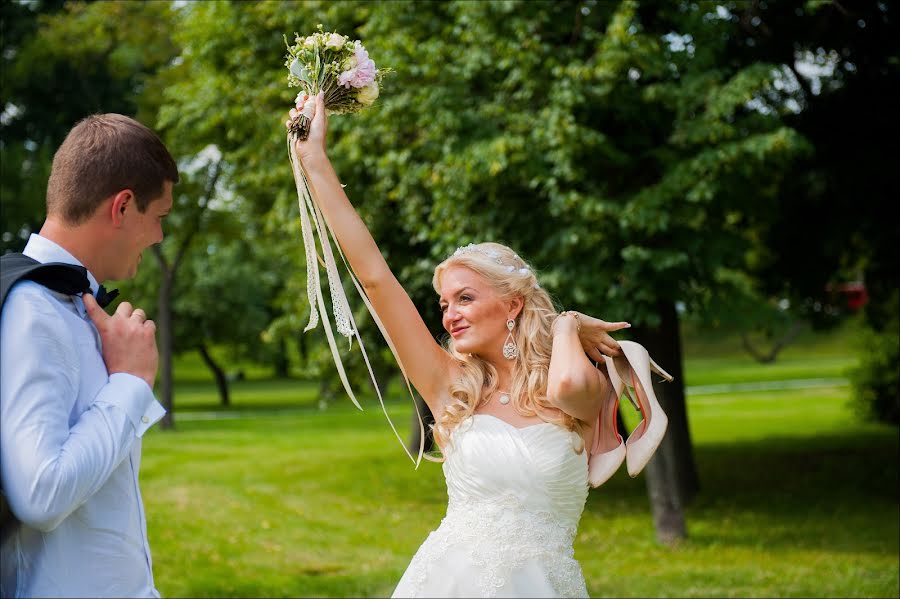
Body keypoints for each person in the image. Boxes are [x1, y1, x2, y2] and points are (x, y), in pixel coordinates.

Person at [291, 93, 672, 597]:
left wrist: (565, 326)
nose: (449, 313)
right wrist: (314, 161)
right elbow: (376, 279)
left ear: (513, 304)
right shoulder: (448, 385)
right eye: (445, 302)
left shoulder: (577, 389)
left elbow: (568, 383)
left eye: (465, 297)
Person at [0, 113, 178, 598]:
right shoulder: (31, 311)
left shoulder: (74, 306)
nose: (160, 236)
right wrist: (131, 383)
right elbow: (41, 493)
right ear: (122, 207)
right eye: (158, 217)